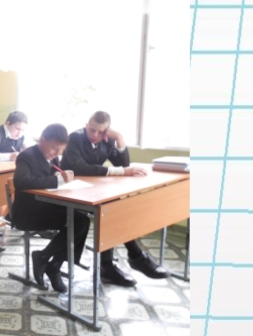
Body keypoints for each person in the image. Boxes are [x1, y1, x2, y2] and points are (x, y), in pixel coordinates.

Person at [60, 111, 170, 287]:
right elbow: (81, 168)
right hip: (68, 192)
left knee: (115, 207)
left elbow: (124, 164)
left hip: (92, 189)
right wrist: (120, 171)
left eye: (101, 131)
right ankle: (131, 258)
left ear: (107, 131)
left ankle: (114, 264)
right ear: (86, 126)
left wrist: (119, 138)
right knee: (110, 210)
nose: (95, 135)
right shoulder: (75, 138)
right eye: (92, 130)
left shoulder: (108, 140)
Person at [12, 123, 90, 293]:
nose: (56, 154)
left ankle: (51, 262)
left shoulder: (53, 158)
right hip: (29, 211)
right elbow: (21, 182)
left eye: (60, 151)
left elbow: (48, 176)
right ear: (42, 140)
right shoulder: (26, 156)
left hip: (48, 206)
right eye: (54, 149)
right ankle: (48, 261)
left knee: (82, 220)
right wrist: (57, 180)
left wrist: (59, 176)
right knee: (77, 222)